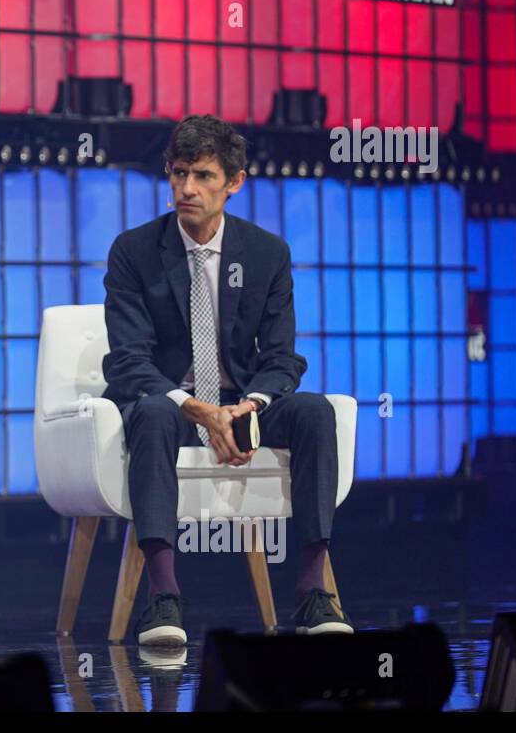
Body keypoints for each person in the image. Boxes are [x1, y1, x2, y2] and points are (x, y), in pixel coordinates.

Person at [101, 114, 353, 645]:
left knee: (315, 410)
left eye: (202, 176)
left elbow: (283, 357)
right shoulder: (134, 251)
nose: (185, 188)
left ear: (234, 182)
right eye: (177, 173)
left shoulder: (267, 254)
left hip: (241, 407)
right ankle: (164, 599)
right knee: (149, 410)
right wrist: (195, 407)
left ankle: (312, 591)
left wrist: (249, 407)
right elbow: (127, 360)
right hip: (169, 408)